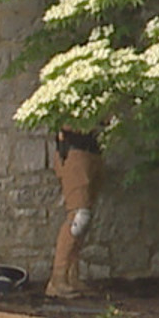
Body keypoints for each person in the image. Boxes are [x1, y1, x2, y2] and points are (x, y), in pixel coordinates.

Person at [46, 127, 104, 298]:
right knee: (79, 216)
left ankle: (71, 276)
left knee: (85, 217)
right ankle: (58, 279)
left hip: (93, 150)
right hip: (73, 150)